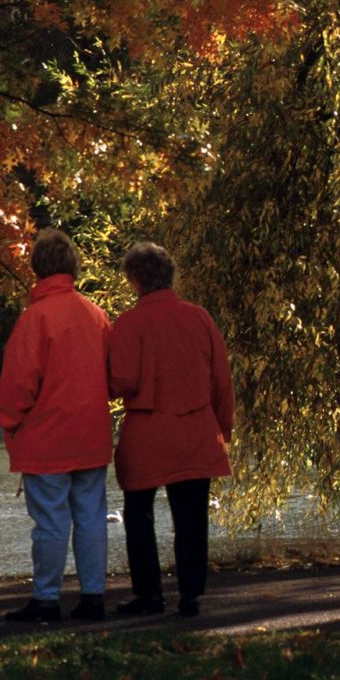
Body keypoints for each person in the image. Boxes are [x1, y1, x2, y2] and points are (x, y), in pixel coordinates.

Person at [108, 241, 234, 617]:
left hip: (146, 430)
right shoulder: (200, 318)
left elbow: (121, 381)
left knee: (139, 515)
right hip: (195, 429)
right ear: (170, 276)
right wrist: (222, 433)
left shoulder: (129, 324)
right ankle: (191, 593)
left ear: (134, 280)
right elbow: (221, 383)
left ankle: (149, 595)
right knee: (192, 517)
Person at [0, 228, 113, 623]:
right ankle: (93, 596)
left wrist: (12, 426)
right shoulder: (96, 316)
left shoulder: (35, 320)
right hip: (91, 433)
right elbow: (114, 375)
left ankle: (47, 598)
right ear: (73, 267)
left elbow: (17, 385)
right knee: (92, 517)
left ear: (37, 269)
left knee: (50, 520)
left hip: (47, 438)